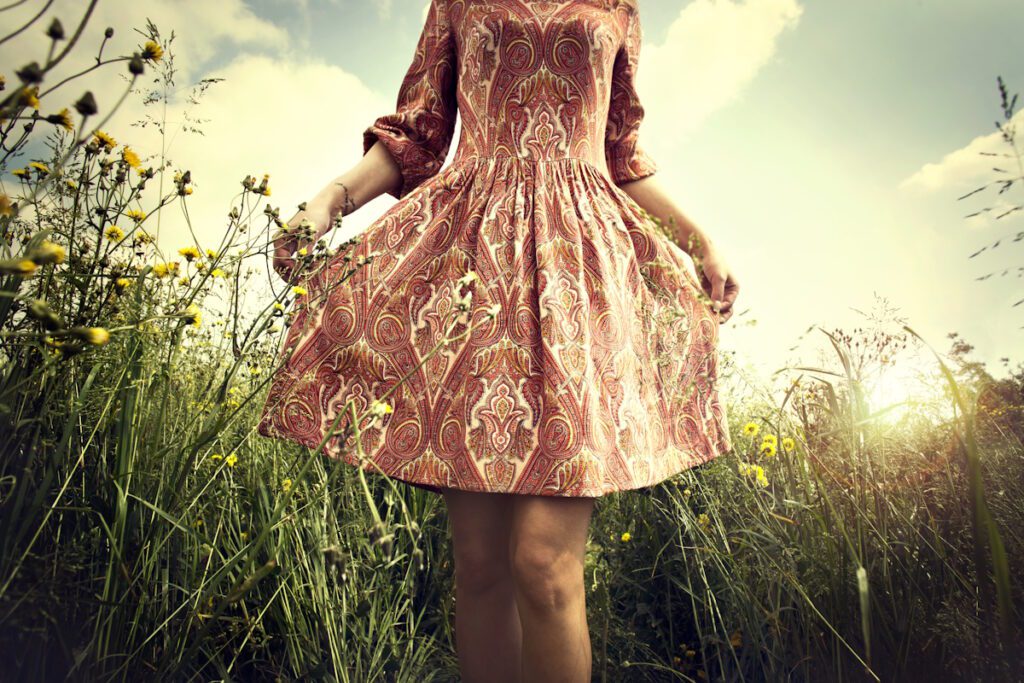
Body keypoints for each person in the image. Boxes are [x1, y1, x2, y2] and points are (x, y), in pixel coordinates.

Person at [263, 0, 739, 680]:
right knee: (481, 566)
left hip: (577, 274)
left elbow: (621, 154)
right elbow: (418, 135)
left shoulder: (618, 9)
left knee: (543, 564)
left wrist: (701, 244)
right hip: (473, 265)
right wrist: (327, 203)